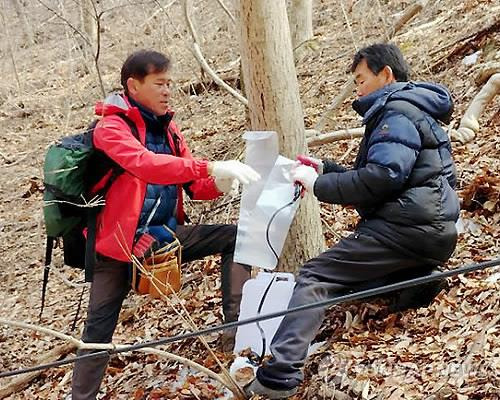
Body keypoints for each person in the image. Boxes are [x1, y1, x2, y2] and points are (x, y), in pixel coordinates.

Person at [244, 43, 460, 399]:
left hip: (402, 229)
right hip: (432, 231)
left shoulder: (397, 112)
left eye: (361, 79)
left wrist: (318, 185)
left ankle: (279, 376)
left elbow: (384, 177)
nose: (357, 88)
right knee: (348, 281)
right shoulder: (414, 110)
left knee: (316, 276)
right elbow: (389, 177)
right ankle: (415, 279)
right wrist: (326, 170)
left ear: (386, 75)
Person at [70, 49, 260, 400]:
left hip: (164, 234)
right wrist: (209, 167)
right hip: (117, 246)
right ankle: (81, 397)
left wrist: (219, 181)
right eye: (159, 83)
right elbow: (144, 164)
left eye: (170, 83)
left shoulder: (169, 128)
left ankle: (236, 335)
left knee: (235, 238)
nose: (167, 91)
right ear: (133, 85)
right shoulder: (110, 128)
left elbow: (195, 187)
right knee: (98, 328)